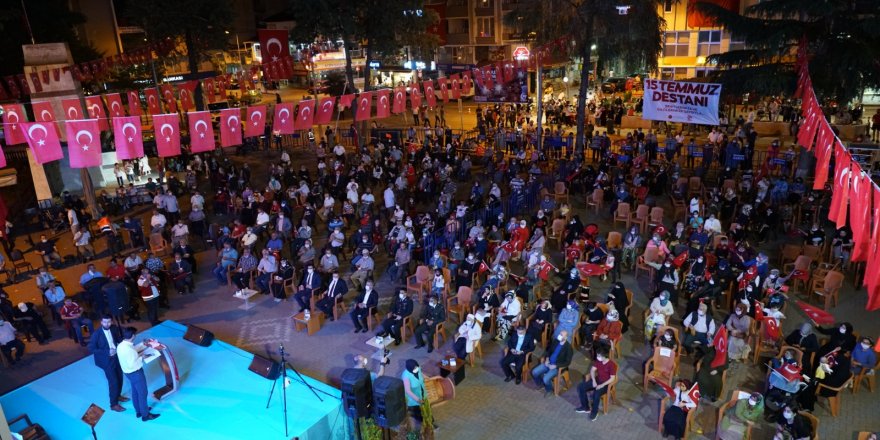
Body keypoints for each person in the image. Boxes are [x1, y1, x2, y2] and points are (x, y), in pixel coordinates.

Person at [117, 327, 160, 421]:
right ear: (133, 336)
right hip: (136, 373)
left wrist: (143, 344)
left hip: (128, 373)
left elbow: (133, 350)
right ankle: (145, 415)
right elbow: (134, 363)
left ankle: (139, 411)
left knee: (135, 392)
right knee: (142, 393)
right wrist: (142, 357)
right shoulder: (129, 350)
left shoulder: (121, 345)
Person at [88, 315, 130, 412]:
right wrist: (107, 352)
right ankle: (113, 404)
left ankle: (118, 395)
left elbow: (118, 339)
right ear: (101, 322)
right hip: (106, 361)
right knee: (113, 382)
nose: (107, 324)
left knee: (120, 378)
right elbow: (91, 348)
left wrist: (125, 341)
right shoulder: (96, 334)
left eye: (109, 322)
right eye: (105, 322)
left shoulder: (114, 328)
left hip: (116, 357)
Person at [575, 345, 617, 421]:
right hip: (597, 380)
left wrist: (601, 385)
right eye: (597, 355)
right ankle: (585, 407)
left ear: (604, 356)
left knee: (596, 393)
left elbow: (612, 378)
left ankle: (595, 412)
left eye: (599, 356)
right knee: (581, 387)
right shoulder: (598, 361)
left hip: (606, 384)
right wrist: (594, 380)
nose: (597, 357)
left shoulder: (611, 365)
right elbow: (592, 370)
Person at [531, 330, 572, 396]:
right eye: (560, 334)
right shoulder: (556, 341)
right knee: (534, 372)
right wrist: (547, 359)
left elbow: (567, 362)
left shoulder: (568, 348)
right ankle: (541, 384)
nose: (559, 336)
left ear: (566, 337)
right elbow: (548, 351)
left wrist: (556, 366)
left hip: (556, 367)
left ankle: (549, 390)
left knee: (546, 378)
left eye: (562, 335)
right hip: (548, 363)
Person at [401, 359, 431, 426]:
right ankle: (426, 422)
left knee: (426, 408)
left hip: (422, 392)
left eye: (416, 367)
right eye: (414, 368)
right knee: (419, 412)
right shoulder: (406, 376)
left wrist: (427, 378)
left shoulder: (417, 368)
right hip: (414, 398)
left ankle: (428, 420)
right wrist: (418, 400)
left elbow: (421, 373)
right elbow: (408, 391)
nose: (416, 369)